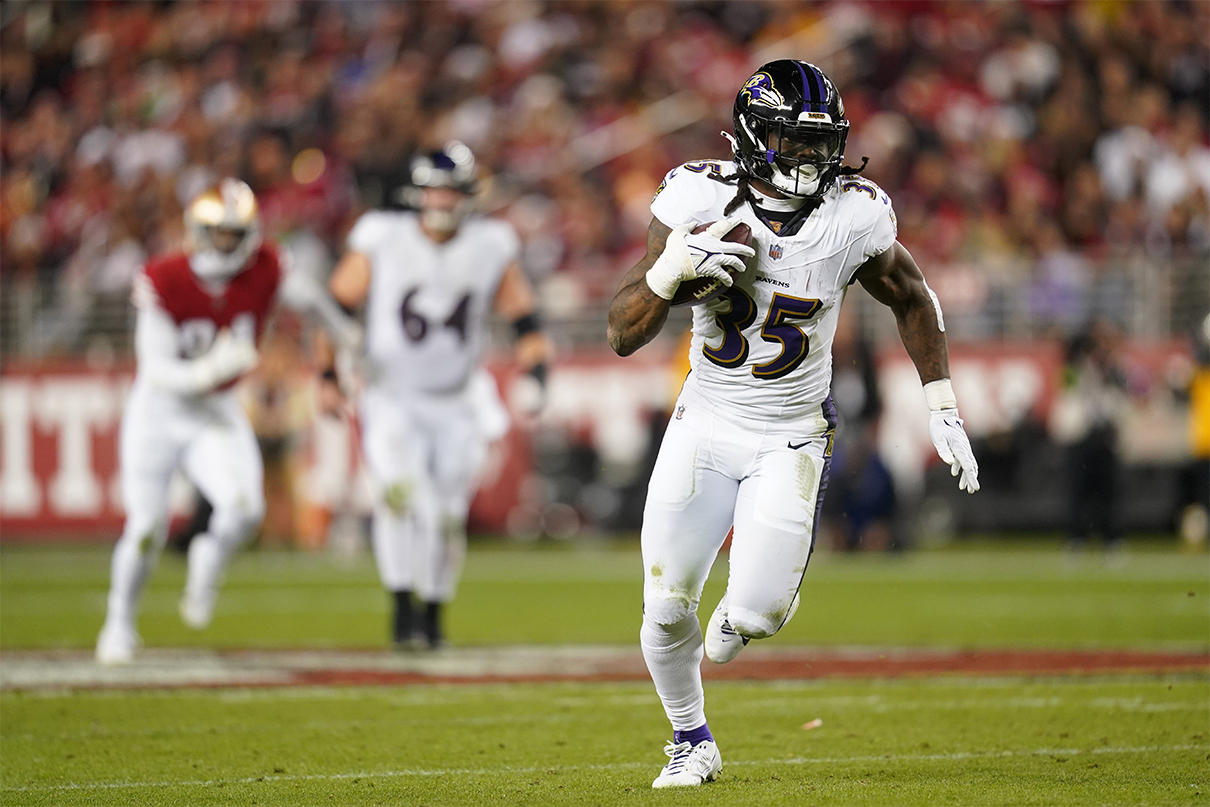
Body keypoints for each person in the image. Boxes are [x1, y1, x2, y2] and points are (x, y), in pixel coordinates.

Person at [606, 60, 980, 788]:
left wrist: (942, 403)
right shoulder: (697, 196)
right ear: (753, 136)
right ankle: (691, 739)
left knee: (752, 615)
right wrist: (672, 268)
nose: (809, 158)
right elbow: (622, 331)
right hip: (705, 423)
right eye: (791, 140)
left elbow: (912, 296)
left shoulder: (854, 214)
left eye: (820, 142)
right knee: (664, 605)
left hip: (791, 434)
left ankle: (751, 609)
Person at [321, 142, 550, 650]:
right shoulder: (382, 236)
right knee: (403, 498)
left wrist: (538, 373)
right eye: (434, 191)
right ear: (417, 194)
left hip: (457, 399)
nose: (442, 202)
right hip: (392, 396)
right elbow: (336, 307)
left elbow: (526, 318)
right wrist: (325, 374)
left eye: (451, 191)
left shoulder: (492, 242)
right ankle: (402, 609)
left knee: (446, 515)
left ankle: (433, 613)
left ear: (468, 195)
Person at [96, 179, 279, 665]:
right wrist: (213, 368)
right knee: (146, 527)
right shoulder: (164, 277)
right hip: (159, 414)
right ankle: (119, 623)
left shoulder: (265, 269)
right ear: (198, 232)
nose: (225, 243)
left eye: (233, 233)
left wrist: (341, 332)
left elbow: (305, 297)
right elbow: (156, 371)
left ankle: (209, 559)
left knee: (245, 510)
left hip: (214, 414)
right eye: (217, 233)